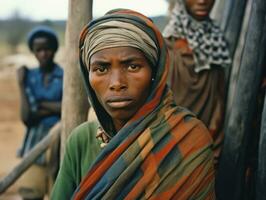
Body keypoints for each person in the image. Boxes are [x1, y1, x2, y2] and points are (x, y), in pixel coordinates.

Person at [52, 9, 215, 199]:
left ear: (155, 73)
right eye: (101, 69)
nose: (116, 83)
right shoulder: (81, 141)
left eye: (132, 66)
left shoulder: (188, 137)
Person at [163, 0, 231, 163]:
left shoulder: (216, 43)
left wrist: (212, 141)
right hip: (172, 148)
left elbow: (219, 99)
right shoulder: (166, 49)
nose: (202, 1)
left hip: (209, 146)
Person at [17, 26, 63, 200]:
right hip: (34, 142)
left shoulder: (65, 76)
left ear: (55, 50)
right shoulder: (28, 76)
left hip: (58, 141)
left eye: (47, 49)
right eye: (39, 50)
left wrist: (40, 105)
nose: (44, 54)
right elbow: (27, 117)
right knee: (31, 192)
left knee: (58, 192)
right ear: (33, 52)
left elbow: (67, 109)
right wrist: (21, 84)